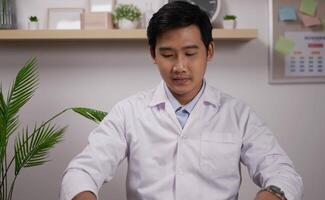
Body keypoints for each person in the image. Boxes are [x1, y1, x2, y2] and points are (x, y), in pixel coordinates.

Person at [60, 1, 303, 200]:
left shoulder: (238, 114)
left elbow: (282, 172)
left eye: (190, 53)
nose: (179, 66)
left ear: (209, 52)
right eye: (167, 54)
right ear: (153, 54)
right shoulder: (129, 111)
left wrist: (273, 194)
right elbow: (82, 170)